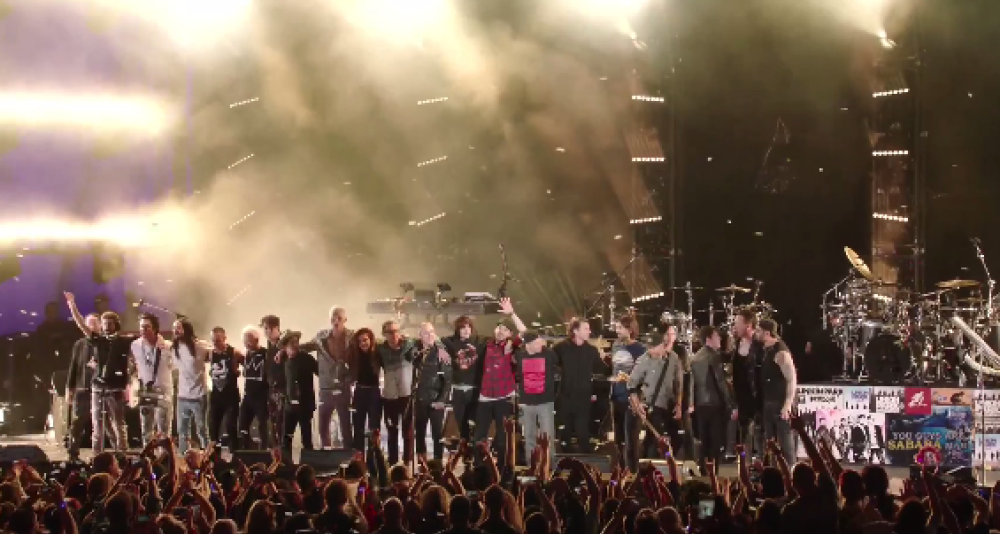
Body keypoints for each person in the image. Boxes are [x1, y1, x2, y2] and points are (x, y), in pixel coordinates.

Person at [64, 291, 134, 453]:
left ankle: (122, 455)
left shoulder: (124, 341)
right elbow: (81, 324)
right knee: (98, 426)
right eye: (104, 323)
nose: (107, 326)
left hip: (115, 388)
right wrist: (72, 305)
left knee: (118, 424)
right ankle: (97, 456)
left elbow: (143, 341)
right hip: (98, 388)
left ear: (116, 325)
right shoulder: (97, 340)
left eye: (110, 323)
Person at [475, 298, 526, 469]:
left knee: (503, 437)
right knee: (479, 436)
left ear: (510, 333)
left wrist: (512, 314)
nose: (501, 331)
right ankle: (479, 468)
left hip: (504, 397)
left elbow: (524, 332)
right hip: (484, 396)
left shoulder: (511, 346)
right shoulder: (486, 344)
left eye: (505, 329)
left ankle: (503, 469)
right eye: (499, 327)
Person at [626, 330, 684, 470]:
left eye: (653, 346)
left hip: (668, 406)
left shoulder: (673, 358)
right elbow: (631, 385)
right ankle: (649, 470)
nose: (650, 349)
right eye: (648, 346)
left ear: (662, 345)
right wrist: (637, 404)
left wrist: (679, 404)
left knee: (678, 438)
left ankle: (667, 467)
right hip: (651, 405)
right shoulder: (644, 359)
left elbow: (679, 384)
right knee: (653, 441)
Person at [302, 306, 354, 450]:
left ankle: (348, 454)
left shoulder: (352, 337)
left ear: (345, 319)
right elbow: (303, 348)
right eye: (333, 318)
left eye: (339, 318)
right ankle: (326, 452)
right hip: (325, 387)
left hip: (343, 387)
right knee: (323, 424)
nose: (336, 321)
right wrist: (284, 350)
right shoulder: (321, 337)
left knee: (345, 424)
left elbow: (371, 342)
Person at [553, 317, 604, 454]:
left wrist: (605, 359)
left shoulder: (592, 350)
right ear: (575, 331)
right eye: (586, 328)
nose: (589, 331)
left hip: (584, 397)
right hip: (565, 396)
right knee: (565, 432)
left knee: (583, 432)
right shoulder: (560, 348)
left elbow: (602, 370)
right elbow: (550, 363)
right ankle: (564, 459)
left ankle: (586, 460)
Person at [690, 325, 737, 474]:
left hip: (700, 404)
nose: (720, 339)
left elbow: (692, 384)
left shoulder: (695, 358)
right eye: (717, 336)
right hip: (715, 404)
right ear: (709, 339)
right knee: (716, 442)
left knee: (704, 440)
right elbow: (721, 382)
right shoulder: (714, 357)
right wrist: (731, 404)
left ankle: (704, 471)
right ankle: (713, 473)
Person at [378, 320, 418, 465]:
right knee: (392, 431)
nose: (394, 334)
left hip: (406, 395)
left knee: (408, 431)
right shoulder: (380, 350)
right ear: (384, 334)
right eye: (390, 332)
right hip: (390, 396)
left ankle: (407, 461)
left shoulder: (410, 345)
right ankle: (393, 461)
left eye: (396, 331)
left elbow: (431, 340)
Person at [758, 318, 797, 465]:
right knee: (771, 443)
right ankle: (774, 473)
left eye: (759, 331)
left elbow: (791, 379)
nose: (756, 333)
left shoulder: (780, 352)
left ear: (767, 333)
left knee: (785, 444)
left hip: (780, 402)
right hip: (769, 401)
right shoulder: (766, 350)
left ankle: (792, 472)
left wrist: (787, 405)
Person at [131, 312, 174, 446]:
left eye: (147, 327)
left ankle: (164, 456)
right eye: (141, 327)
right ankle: (148, 456)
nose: (143, 330)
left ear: (155, 328)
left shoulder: (168, 346)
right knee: (146, 428)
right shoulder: (135, 345)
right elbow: (134, 365)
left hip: (163, 390)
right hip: (146, 390)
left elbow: (174, 366)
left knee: (164, 429)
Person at [411, 323, 452, 461]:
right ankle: (421, 462)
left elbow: (448, 380)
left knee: (437, 434)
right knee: (419, 432)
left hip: (436, 399)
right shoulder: (417, 351)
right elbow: (407, 355)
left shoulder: (441, 352)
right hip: (420, 398)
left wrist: (441, 400)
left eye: (432, 332)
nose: (430, 336)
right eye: (426, 333)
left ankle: (437, 462)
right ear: (420, 336)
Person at [609, 316, 646, 468]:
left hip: (632, 399)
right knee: (618, 439)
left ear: (630, 330)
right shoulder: (616, 346)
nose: (617, 331)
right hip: (616, 397)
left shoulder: (641, 349)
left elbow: (643, 376)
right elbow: (615, 369)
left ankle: (633, 472)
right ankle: (621, 471)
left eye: (620, 328)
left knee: (631, 440)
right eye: (616, 328)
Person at [516, 331, 558, 464]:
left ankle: (549, 465)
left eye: (541, 342)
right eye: (537, 343)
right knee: (529, 435)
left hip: (545, 402)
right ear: (528, 345)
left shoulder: (548, 354)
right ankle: (531, 464)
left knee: (547, 436)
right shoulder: (520, 355)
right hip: (526, 402)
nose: (541, 344)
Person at [172, 318, 212, 454]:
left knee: (201, 430)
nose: (175, 331)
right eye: (174, 328)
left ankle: (207, 456)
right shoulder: (174, 347)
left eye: (178, 327)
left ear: (187, 329)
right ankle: (183, 457)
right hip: (182, 396)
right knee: (182, 431)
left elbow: (217, 353)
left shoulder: (200, 345)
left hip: (199, 395)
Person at [443, 316, 485, 442]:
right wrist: (440, 349)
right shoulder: (451, 342)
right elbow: (436, 340)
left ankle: (476, 449)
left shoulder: (479, 341)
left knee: (475, 424)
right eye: (463, 328)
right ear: (457, 330)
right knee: (462, 425)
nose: (466, 330)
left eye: (468, 327)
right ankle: (465, 449)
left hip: (474, 390)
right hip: (458, 390)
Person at [64, 313, 99, 461]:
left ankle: (100, 454)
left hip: (99, 389)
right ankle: (73, 452)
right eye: (89, 323)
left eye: (94, 323)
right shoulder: (79, 344)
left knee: (100, 423)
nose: (91, 326)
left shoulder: (103, 343)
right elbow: (73, 366)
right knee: (78, 421)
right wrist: (69, 387)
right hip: (82, 388)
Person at [730, 309, 764, 457]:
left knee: (760, 437)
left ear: (748, 326)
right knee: (744, 439)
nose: (735, 326)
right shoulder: (736, 344)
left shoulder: (760, 345)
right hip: (742, 399)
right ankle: (745, 464)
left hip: (758, 399)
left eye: (738, 323)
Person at [208, 326, 244, 453]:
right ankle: (213, 457)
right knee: (213, 428)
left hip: (231, 396)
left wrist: (238, 371)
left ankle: (235, 455)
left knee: (230, 427)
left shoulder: (234, 352)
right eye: (213, 340)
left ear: (224, 338)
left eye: (218, 340)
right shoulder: (211, 353)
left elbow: (249, 365)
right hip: (216, 395)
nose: (215, 343)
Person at [282, 330, 318, 451]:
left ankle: (309, 461)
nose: (294, 345)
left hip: (305, 405)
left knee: (306, 439)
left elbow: (321, 373)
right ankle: (286, 461)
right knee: (286, 438)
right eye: (291, 343)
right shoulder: (284, 360)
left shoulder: (307, 358)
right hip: (289, 406)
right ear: (285, 346)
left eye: (296, 342)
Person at [349, 328, 382, 454]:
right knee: (358, 427)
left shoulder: (377, 352)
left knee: (374, 428)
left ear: (371, 340)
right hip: (359, 392)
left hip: (374, 392)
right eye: (359, 341)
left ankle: (373, 457)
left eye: (365, 340)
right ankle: (359, 458)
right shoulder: (354, 354)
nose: (362, 343)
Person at [238, 326, 270, 449]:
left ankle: (263, 452)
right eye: (244, 341)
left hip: (262, 396)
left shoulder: (265, 353)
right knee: (242, 426)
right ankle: (248, 450)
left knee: (263, 426)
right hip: (248, 396)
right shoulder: (246, 355)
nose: (246, 344)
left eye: (248, 341)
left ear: (256, 340)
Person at [260, 314, 287, 449]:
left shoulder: (284, 342)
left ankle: (283, 453)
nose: (266, 332)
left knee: (281, 424)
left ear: (275, 328)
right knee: (273, 423)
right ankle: (276, 453)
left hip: (283, 390)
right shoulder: (269, 346)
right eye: (264, 329)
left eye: (268, 328)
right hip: (271, 390)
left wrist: (282, 350)